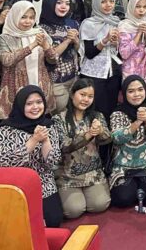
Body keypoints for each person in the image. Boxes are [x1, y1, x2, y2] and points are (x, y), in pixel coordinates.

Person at [0, 85, 63, 227]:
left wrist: (46, 140)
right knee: (13, 223)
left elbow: (52, 162)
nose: (35, 107)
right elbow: (7, 163)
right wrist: (34, 140)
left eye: (39, 102)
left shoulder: (49, 126)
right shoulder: (6, 130)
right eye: (29, 103)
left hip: (42, 181)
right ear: (20, 106)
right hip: (14, 182)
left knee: (53, 220)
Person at [53, 78, 112, 219]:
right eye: (82, 94)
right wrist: (88, 135)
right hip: (67, 175)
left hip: (93, 173)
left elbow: (108, 140)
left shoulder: (97, 116)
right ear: (72, 94)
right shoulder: (58, 119)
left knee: (100, 205)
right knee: (74, 210)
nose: (86, 99)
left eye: (90, 96)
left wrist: (101, 132)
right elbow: (64, 146)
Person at [109, 75, 146, 208]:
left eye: (140, 90)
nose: (137, 94)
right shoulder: (118, 112)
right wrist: (137, 122)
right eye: (131, 91)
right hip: (123, 165)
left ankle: (140, 188)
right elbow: (117, 138)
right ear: (124, 93)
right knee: (123, 199)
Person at [0, 0, 55, 119]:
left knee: (41, 118)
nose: (28, 21)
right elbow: (7, 61)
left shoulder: (40, 33)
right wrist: (32, 46)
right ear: (14, 16)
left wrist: (46, 47)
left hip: (40, 82)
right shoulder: (5, 38)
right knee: (19, 119)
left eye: (31, 17)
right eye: (23, 17)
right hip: (16, 84)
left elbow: (53, 60)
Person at [79, 0, 122, 119]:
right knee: (96, 111)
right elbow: (90, 53)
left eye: (111, 1)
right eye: (103, 2)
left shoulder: (116, 22)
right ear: (97, 3)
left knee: (111, 109)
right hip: (94, 74)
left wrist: (116, 43)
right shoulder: (89, 24)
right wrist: (105, 40)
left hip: (113, 72)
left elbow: (119, 51)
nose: (108, 5)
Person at [40, 0, 81, 113]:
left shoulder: (73, 23)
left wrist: (76, 41)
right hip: (56, 81)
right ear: (50, 4)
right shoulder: (41, 29)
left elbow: (77, 50)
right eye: (59, 3)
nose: (64, 6)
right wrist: (67, 40)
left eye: (67, 3)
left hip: (74, 77)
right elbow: (51, 56)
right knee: (60, 114)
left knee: (75, 112)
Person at [117, 0, 146, 83]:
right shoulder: (124, 25)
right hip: (130, 71)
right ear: (131, 6)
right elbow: (124, 54)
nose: (141, 10)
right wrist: (138, 34)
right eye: (138, 6)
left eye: (145, 7)